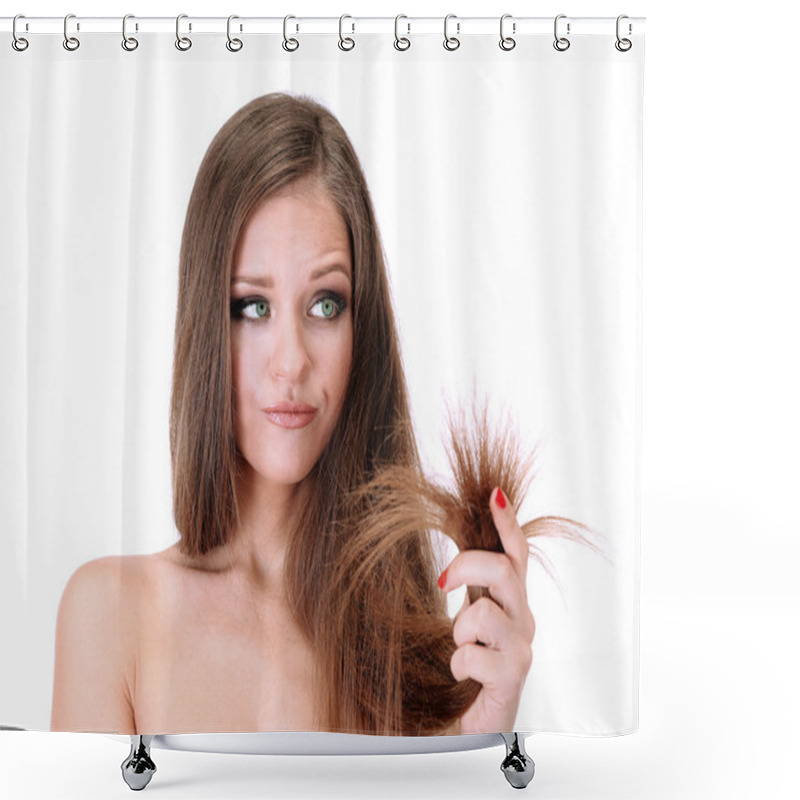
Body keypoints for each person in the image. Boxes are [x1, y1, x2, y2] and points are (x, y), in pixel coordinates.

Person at [51, 93, 563, 737]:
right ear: (207, 323)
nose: (290, 362)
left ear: (362, 330)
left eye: (325, 305)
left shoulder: (425, 667)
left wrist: (481, 733)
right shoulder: (110, 617)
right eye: (252, 307)